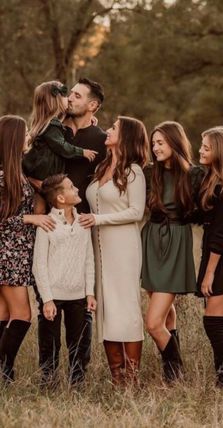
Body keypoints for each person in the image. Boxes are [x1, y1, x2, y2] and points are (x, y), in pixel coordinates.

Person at [79, 116, 149, 386]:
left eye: (114, 128)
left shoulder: (134, 171)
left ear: (127, 136)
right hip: (98, 248)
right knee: (105, 309)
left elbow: (136, 211)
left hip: (123, 248)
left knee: (126, 308)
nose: (107, 131)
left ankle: (132, 379)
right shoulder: (102, 167)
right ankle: (117, 379)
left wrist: (99, 220)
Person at [141, 121, 203, 383]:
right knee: (165, 312)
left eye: (161, 143)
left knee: (153, 323)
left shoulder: (195, 175)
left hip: (176, 241)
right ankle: (170, 375)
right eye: (153, 143)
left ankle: (176, 372)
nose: (155, 148)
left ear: (175, 143)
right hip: (152, 239)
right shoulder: (148, 173)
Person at [0, 115, 55, 382]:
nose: (28, 139)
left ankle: (4, 375)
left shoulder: (15, 173)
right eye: (24, 135)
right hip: (7, 253)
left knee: (4, 314)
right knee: (22, 315)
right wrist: (31, 218)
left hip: (17, 252)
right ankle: (4, 370)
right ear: (13, 139)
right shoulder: (1, 176)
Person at [32, 174, 96, 387]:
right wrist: (47, 299)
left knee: (79, 343)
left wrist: (90, 292)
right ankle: (48, 383)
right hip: (53, 296)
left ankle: (77, 383)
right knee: (49, 344)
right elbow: (39, 265)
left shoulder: (83, 222)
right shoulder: (47, 224)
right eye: (71, 187)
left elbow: (89, 259)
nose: (77, 189)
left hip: (78, 294)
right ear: (60, 198)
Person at [196, 126, 223, 387]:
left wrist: (210, 272)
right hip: (220, 254)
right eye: (202, 144)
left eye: (207, 147)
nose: (200, 150)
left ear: (220, 152)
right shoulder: (213, 180)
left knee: (213, 320)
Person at [22, 80, 98, 182]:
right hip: (42, 174)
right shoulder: (52, 125)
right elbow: (62, 146)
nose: (69, 99)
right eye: (65, 96)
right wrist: (82, 152)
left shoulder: (49, 122)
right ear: (57, 101)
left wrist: (88, 118)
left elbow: (64, 114)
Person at [64, 77, 107, 213]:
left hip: (81, 219)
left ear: (92, 106)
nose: (70, 98)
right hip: (46, 218)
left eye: (77, 96)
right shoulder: (54, 131)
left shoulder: (102, 140)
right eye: (70, 94)